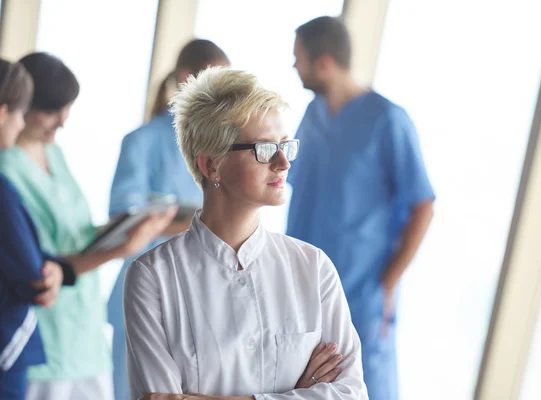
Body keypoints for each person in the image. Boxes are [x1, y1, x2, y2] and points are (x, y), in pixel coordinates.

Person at [124, 67, 368, 400]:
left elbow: (351, 394)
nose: (283, 162)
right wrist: (300, 392)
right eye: (265, 149)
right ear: (211, 165)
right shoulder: (153, 278)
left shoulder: (313, 267)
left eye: (285, 145)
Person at [0, 52, 175, 400]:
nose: (63, 121)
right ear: (18, 108)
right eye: (52, 111)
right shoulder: (7, 169)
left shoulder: (55, 155)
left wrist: (121, 229)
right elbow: (38, 263)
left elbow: (74, 234)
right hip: (46, 336)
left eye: (68, 109)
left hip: (85, 338)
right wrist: (120, 249)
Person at [287, 16, 436, 400]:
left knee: (367, 389)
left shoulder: (388, 120)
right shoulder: (313, 115)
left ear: (323, 63)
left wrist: (385, 286)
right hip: (304, 291)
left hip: (362, 295)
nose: (293, 67)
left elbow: (423, 205)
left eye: (297, 58)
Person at [108, 38, 230, 400]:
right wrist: (205, 217)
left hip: (204, 295)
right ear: (185, 77)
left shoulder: (219, 146)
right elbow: (125, 220)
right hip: (147, 289)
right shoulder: (142, 141)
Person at [0, 58, 77, 400]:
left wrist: (57, 266)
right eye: (19, 114)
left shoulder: (53, 156)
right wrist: (53, 269)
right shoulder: (3, 185)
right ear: (3, 114)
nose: (18, 126)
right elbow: (30, 270)